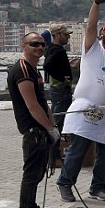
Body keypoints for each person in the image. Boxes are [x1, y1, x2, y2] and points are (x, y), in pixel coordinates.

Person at [57, 0, 105, 203]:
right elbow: (89, 27)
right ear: (102, 33)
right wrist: (96, 4)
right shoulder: (92, 49)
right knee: (78, 149)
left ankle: (98, 187)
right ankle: (65, 183)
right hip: (87, 107)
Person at [7, 32, 61, 208]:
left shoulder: (33, 69)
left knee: (38, 173)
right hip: (32, 129)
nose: (39, 47)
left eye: (42, 44)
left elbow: (42, 102)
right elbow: (31, 105)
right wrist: (47, 128)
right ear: (24, 46)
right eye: (34, 44)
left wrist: (53, 126)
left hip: (41, 128)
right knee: (31, 174)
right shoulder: (22, 70)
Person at [43, 23, 76, 161]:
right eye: (65, 34)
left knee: (55, 119)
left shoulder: (53, 49)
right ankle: (54, 154)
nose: (68, 37)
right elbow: (47, 65)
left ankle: (53, 152)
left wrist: (68, 66)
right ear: (56, 35)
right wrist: (63, 79)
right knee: (59, 122)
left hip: (57, 90)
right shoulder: (58, 50)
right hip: (61, 90)